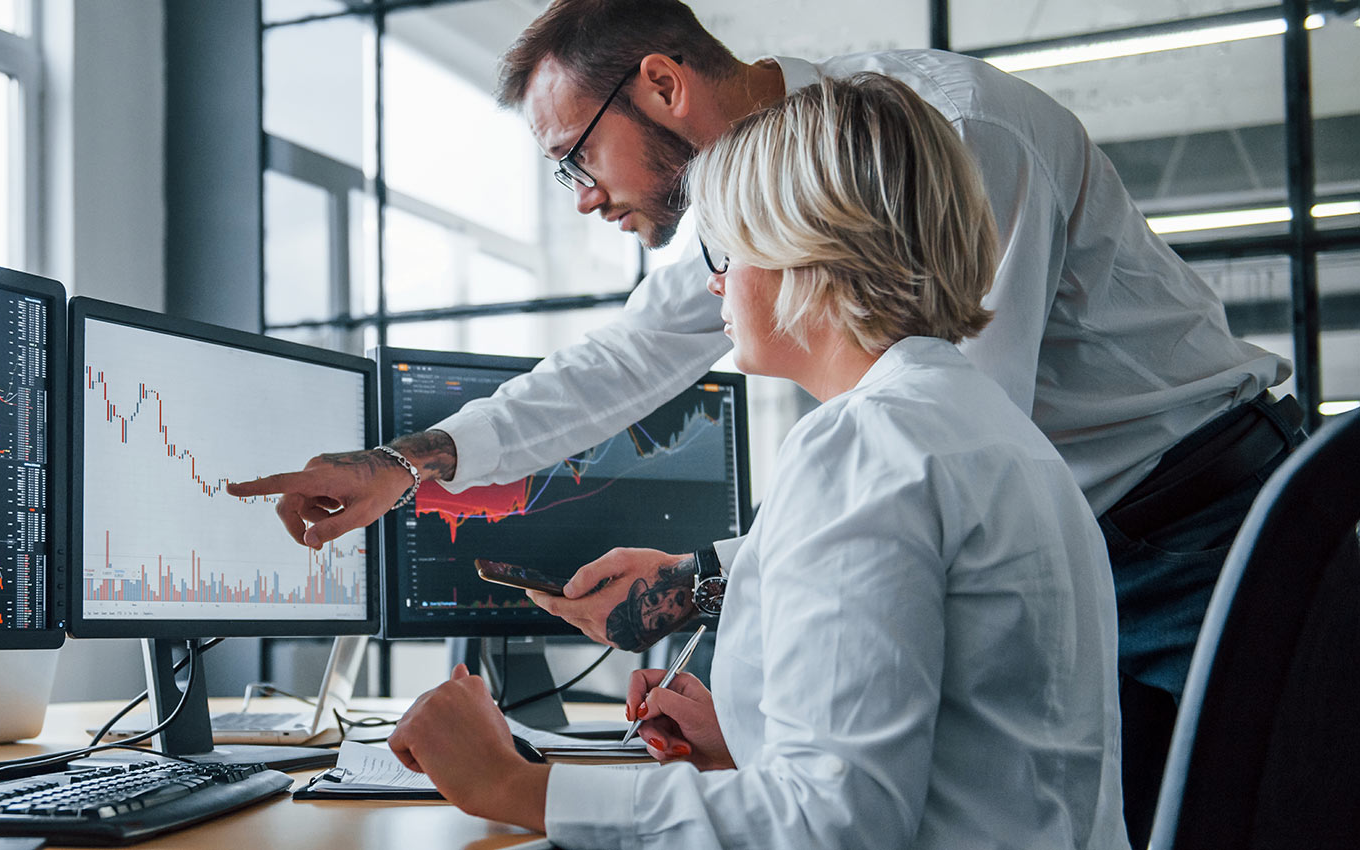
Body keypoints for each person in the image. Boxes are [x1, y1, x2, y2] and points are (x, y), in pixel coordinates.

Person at [226, 1, 1301, 839]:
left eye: (573, 159)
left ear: (661, 84)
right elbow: (626, 358)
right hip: (1079, 529)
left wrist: (522, 787)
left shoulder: (944, 160)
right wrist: (406, 461)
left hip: (1196, 521)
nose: (583, 197)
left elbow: (925, 485)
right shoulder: (839, 286)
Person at [388, 73, 1127, 849]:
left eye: (725, 250)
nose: (714, 282)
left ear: (803, 248)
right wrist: (747, 746)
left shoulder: (864, 444)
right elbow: (957, 762)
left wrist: (512, 785)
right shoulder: (990, 427)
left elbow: (828, 824)